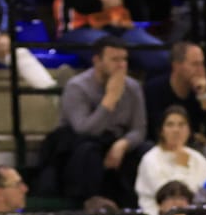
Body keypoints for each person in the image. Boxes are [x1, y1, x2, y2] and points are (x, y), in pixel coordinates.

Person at [52, 42, 147, 203]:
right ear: (97, 60)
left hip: (118, 142)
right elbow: (83, 130)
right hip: (82, 145)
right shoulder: (77, 86)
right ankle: (87, 210)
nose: (121, 65)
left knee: (146, 150)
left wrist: (123, 144)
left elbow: (139, 128)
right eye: (114, 59)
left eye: (124, 59)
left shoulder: (133, 86)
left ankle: (135, 212)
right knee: (88, 153)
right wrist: (110, 100)